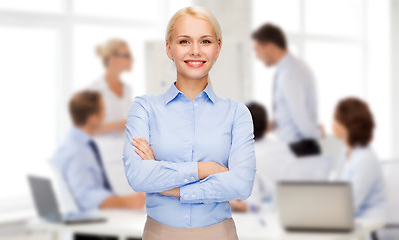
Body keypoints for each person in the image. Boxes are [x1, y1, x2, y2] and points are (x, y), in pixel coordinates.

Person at [122, 6, 256, 239]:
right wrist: (205, 169)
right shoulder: (144, 108)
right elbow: (138, 177)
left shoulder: (237, 113)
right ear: (169, 49)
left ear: (218, 48)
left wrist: (169, 187)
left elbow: (241, 185)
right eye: (184, 41)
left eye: (205, 41)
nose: (195, 51)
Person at [52, 90, 145, 212]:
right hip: (92, 224)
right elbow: (86, 196)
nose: (105, 113)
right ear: (92, 119)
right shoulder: (78, 151)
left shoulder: (73, 143)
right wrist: (127, 202)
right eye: (102, 109)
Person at [252, 23, 321, 157]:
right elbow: (292, 111)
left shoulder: (291, 73)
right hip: (295, 147)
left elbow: (300, 115)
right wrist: (275, 124)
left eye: (258, 50)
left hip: (298, 150)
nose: (257, 56)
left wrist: (316, 135)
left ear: (271, 47)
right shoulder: (287, 70)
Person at [88, 38, 134, 194]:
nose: (131, 59)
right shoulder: (95, 90)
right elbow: (89, 130)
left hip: (127, 156)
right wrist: (121, 124)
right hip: (106, 158)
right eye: (126, 55)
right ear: (113, 59)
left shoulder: (127, 89)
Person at [331, 97, 386, 219]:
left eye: (336, 120)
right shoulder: (346, 152)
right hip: (349, 222)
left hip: (368, 228)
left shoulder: (365, 159)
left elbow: (350, 205)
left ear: (346, 127)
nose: (332, 125)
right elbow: (337, 192)